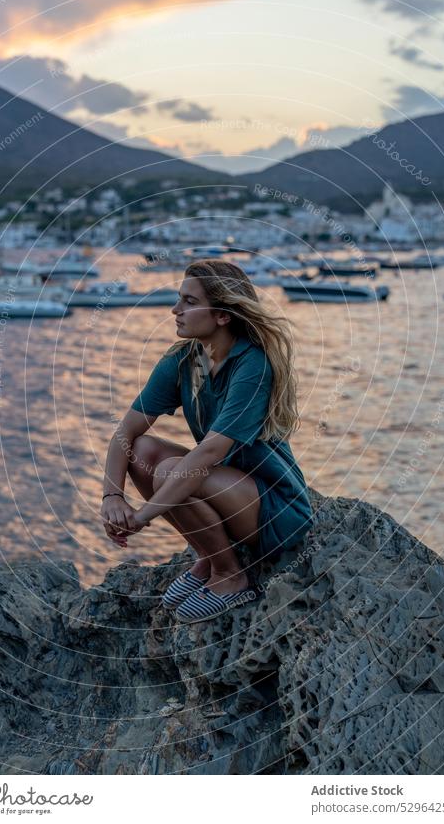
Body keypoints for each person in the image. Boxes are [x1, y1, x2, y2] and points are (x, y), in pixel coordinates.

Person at [100, 259, 313, 623]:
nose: (175, 310)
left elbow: (212, 451)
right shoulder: (183, 360)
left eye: (188, 301)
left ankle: (230, 576)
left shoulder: (252, 364)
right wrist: (112, 496)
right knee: (142, 451)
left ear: (222, 316)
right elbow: (126, 432)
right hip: (225, 487)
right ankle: (209, 555)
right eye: (177, 299)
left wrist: (142, 516)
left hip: (274, 508)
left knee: (170, 470)